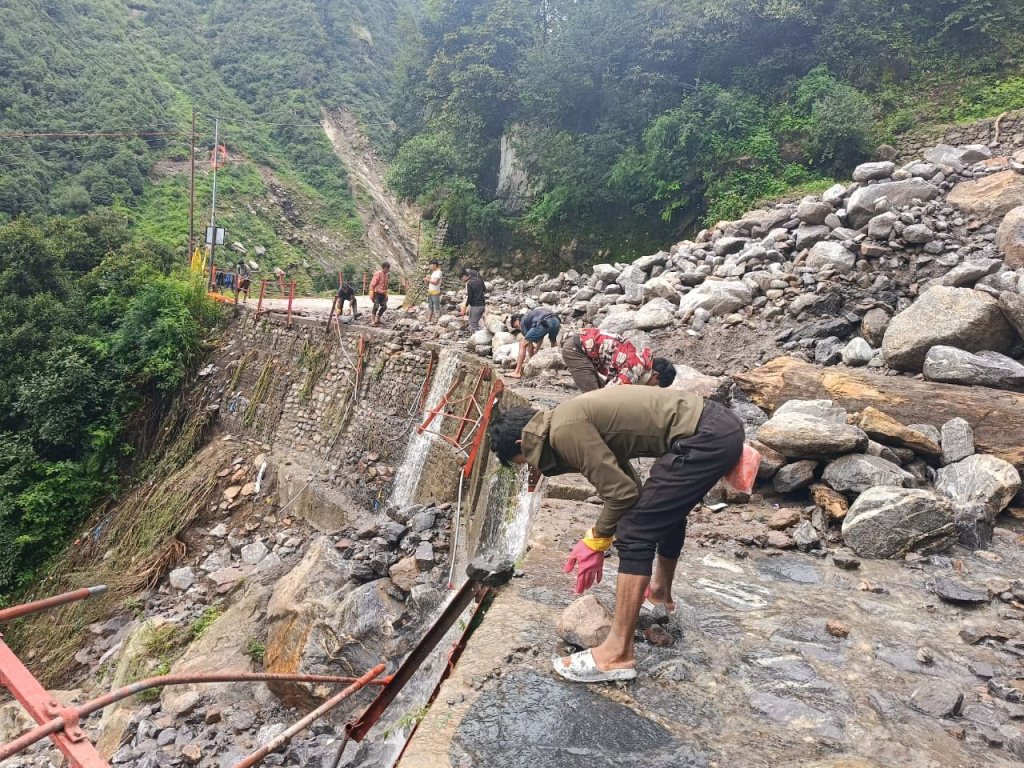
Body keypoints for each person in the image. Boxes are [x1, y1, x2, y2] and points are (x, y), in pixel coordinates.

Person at [489, 386, 744, 683]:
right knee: (658, 509)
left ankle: (617, 652)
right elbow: (632, 490)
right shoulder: (566, 419)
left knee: (634, 531)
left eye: (526, 459)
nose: (533, 466)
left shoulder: (564, 431)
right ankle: (661, 595)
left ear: (524, 441)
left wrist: (595, 541)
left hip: (706, 436)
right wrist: (599, 537)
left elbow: (621, 495)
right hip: (717, 426)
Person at [561, 328, 677, 392]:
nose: (652, 388)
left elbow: (611, 383)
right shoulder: (636, 368)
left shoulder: (640, 361)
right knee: (593, 399)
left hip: (581, 346)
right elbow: (611, 393)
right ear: (655, 375)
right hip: (577, 350)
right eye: (656, 385)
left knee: (597, 392)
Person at [506, 308, 561, 378]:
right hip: (556, 320)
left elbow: (529, 345)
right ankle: (558, 365)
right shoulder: (531, 318)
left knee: (522, 344)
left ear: (517, 319)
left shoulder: (523, 321)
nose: (519, 329)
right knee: (553, 340)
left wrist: (531, 360)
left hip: (544, 321)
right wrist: (535, 354)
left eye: (517, 326)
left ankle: (517, 372)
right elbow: (540, 339)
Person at [460, 267, 486, 333]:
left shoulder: (469, 283)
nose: (462, 280)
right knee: (479, 324)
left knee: (473, 325)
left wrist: (464, 308)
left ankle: (477, 341)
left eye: (461, 278)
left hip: (475, 306)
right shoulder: (479, 280)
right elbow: (484, 289)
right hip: (482, 305)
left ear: (464, 276)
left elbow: (470, 297)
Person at [369, 261, 390, 326]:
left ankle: (378, 318)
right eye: (387, 268)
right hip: (376, 293)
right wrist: (371, 293)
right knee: (376, 306)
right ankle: (372, 320)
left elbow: (386, 286)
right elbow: (372, 284)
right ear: (384, 268)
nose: (388, 270)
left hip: (383, 293)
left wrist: (386, 294)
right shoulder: (378, 274)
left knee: (384, 306)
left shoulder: (386, 275)